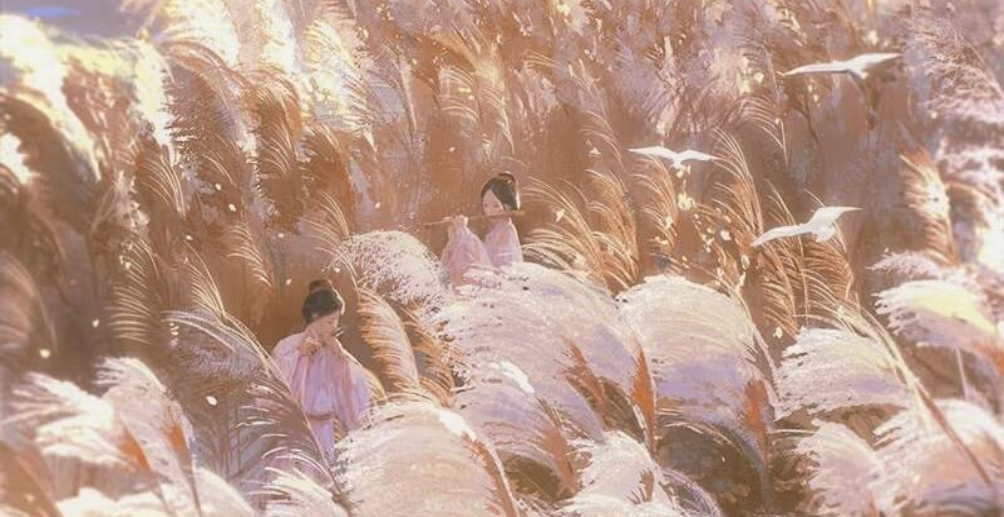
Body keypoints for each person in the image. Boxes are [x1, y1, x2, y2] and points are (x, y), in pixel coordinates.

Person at [271, 280, 373, 457]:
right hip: (294, 428)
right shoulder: (288, 346)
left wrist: (341, 357)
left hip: (324, 429)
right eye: (329, 322)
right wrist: (298, 355)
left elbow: (353, 387)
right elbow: (273, 377)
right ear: (314, 317)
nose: (335, 327)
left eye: (336, 321)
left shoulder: (334, 349)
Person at [441, 172, 524, 285]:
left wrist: (465, 232)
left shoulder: (508, 231)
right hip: (491, 282)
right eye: (486, 205)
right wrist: (455, 234)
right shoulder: (495, 232)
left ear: (508, 206)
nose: (489, 211)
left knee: (466, 239)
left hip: (500, 286)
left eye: (495, 206)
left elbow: (494, 271)